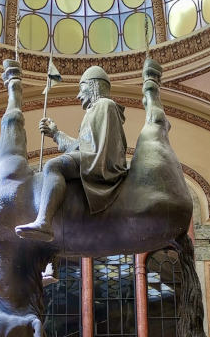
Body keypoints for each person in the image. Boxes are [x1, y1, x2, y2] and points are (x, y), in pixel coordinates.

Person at [15, 66, 128, 242]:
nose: (78, 95)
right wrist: (55, 133)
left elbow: (93, 148)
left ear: (93, 86)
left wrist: (58, 135)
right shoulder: (97, 109)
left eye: (81, 88)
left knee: (53, 165)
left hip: (101, 161)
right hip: (92, 156)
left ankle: (44, 222)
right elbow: (81, 145)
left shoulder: (105, 105)